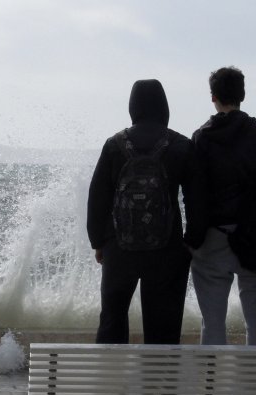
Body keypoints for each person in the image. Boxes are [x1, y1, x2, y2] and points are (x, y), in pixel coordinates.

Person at [87, 79, 206, 344]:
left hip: (119, 248)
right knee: (163, 325)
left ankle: (111, 379)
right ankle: (160, 381)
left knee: (112, 318)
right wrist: (191, 242)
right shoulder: (180, 145)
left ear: (133, 107)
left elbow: (98, 198)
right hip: (167, 250)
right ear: (164, 107)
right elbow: (196, 199)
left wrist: (99, 242)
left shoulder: (114, 145)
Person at [190, 66, 256, 345]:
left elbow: (196, 196)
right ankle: (254, 384)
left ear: (213, 97)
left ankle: (211, 385)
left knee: (212, 323)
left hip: (214, 238)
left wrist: (192, 239)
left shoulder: (202, 138)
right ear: (242, 95)